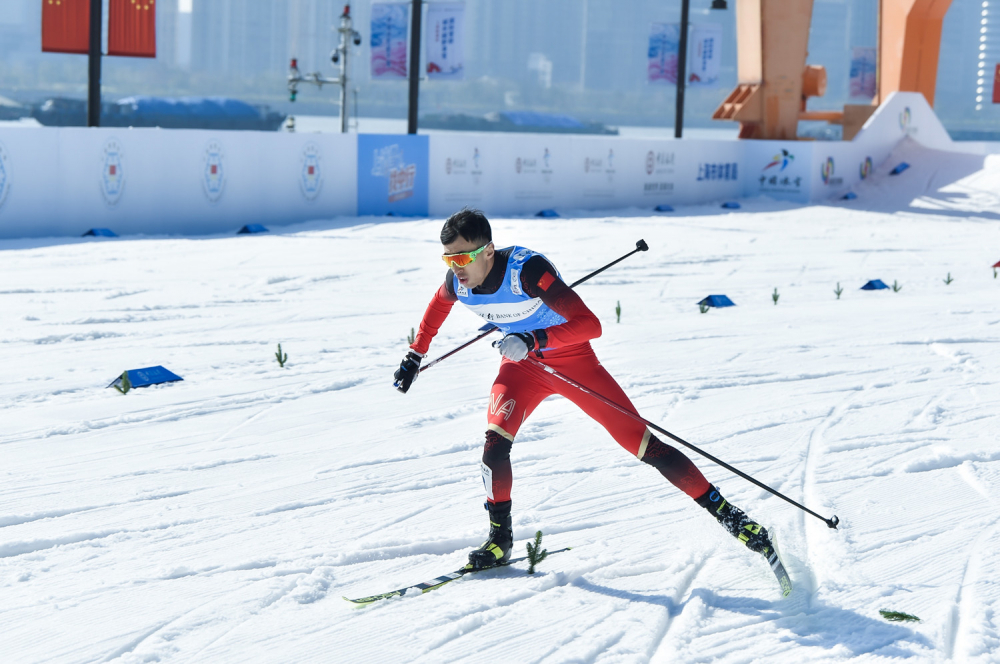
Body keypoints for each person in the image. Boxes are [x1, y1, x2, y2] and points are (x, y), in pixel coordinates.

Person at [394, 208, 774, 570]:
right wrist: (415, 354)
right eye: (448, 260)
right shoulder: (458, 283)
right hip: (522, 366)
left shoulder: (527, 272)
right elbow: (437, 307)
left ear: (488, 251)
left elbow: (590, 325)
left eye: (462, 258)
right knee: (493, 450)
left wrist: (534, 338)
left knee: (645, 445)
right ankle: (500, 540)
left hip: (571, 358)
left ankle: (731, 517)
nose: (455, 269)